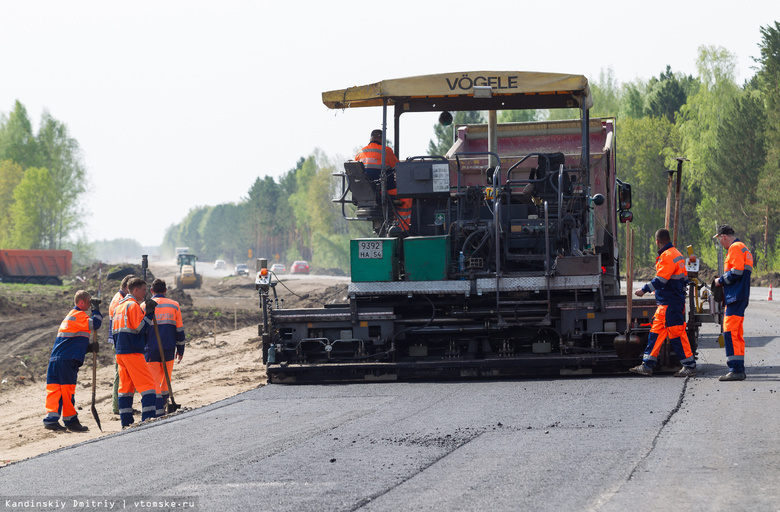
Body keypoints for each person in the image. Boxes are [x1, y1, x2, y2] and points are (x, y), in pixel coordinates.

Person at [630, 228, 697, 377]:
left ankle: (689, 366)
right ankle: (647, 365)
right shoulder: (677, 254)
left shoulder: (667, 256)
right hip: (668, 303)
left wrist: (644, 290)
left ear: (657, 241)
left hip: (670, 303)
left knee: (677, 334)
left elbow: (661, 280)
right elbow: (684, 278)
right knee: (655, 332)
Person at [43, 290, 102, 431]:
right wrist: (96, 310)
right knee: (67, 390)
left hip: (56, 359)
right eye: (88, 302)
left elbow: (70, 341)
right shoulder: (79, 315)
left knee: (54, 390)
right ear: (81, 302)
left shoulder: (70, 316)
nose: (89, 305)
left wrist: (87, 348)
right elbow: (96, 324)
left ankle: (51, 420)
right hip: (67, 360)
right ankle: (71, 421)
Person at [112, 277, 158, 427]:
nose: (145, 294)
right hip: (132, 351)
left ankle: (126, 422)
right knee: (148, 384)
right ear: (136, 290)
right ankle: (148, 418)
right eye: (144, 290)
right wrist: (149, 314)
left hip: (120, 352)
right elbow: (140, 328)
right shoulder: (132, 306)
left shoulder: (119, 307)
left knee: (125, 388)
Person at [713, 224, 753, 381]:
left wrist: (719, 281)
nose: (720, 244)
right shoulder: (743, 248)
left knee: (729, 331)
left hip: (735, 296)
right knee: (736, 333)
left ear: (723, 237)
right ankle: (738, 368)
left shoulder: (735, 248)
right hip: (740, 295)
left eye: (719, 240)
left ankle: (735, 369)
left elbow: (736, 272)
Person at [142, 279, 186, 416]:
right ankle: (165, 403)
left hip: (150, 349)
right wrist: (181, 349)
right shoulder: (174, 305)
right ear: (165, 290)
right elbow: (179, 330)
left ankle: (158, 409)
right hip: (168, 348)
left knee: (154, 380)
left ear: (151, 291)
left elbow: (141, 330)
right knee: (166, 379)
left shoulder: (143, 306)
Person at [355, 129, 412, 231]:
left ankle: (392, 222)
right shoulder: (386, 151)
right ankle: (402, 228)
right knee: (407, 197)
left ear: (371, 138)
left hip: (364, 193)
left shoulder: (359, 153)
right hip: (381, 191)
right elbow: (399, 168)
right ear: (382, 139)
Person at [108, 274, 135, 415]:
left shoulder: (116, 298)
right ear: (126, 287)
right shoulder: (120, 300)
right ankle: (118, 406)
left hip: (117, 340)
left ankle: (121, 405)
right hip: (120, 342)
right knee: (121, 375)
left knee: (121, 374)